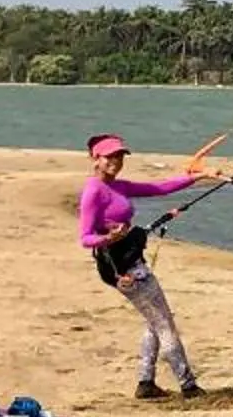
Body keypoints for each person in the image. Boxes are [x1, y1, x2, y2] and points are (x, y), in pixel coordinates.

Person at [79, 134, 210, 400]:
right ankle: (189, 386)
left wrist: (197, 177)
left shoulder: (119, 186)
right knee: (165, 325)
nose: (116, 161)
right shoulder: (93, 191)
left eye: (120, 156)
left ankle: (145, 383)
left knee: (154, 322)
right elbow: (85, 238)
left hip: (132, 262)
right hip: (122, 269)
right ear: (96, 159)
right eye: (110, 157)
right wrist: (108, 237)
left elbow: (159, 188)